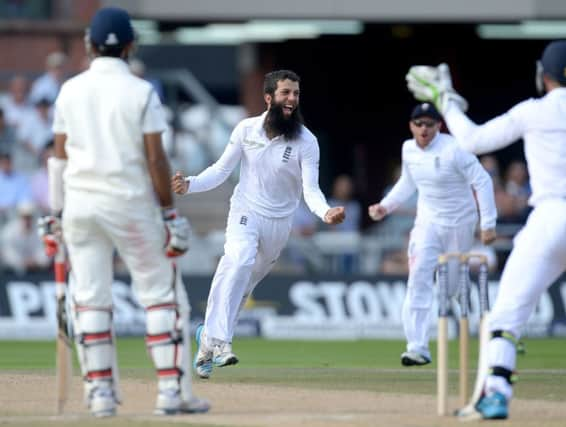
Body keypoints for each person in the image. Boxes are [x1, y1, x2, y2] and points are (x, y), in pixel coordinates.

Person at [406, 40, 566, 419]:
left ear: (544, 77)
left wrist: (445, 100)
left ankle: (496, 391)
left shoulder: (533, 111)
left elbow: (472, 141)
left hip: (548, 219)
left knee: (505, 316)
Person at [41, 7, 210, 417]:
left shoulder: (69, 90)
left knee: (91, 300)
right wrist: (169, 214)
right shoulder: (141, 91)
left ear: (88, 44)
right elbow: (156, 159)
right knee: (161, 297)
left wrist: (56, 213)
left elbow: (58, 159)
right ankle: (171, 393)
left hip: (80, 206)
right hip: (129, 204)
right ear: (131, 45)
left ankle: (100, 395)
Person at [171, 69, 346, 379]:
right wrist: (191, 183)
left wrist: (325, 212)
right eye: (285, 93)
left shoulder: (307, 141)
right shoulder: (246, 130)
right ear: (269, 98)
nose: (292, 99)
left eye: (295, 93)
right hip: (245, 211)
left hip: (279, 223)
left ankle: (206, 343)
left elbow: (311, 190)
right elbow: (221, 170)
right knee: (237, 261)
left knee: (241, 286)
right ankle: (222, 343)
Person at [368, 102, 497, 367]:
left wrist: (488, 224)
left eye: (429, 124)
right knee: (417, 280)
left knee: (448, 289)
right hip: (427, 223)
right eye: (419, 124)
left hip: (460, 224)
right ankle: (417, 347)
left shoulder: (455, 148)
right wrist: (386, 206)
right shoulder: (408, 149)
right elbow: (407, 182)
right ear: (411, 126)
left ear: (439, 126)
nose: (424, 129)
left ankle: (480, 321)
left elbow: (482, 181)